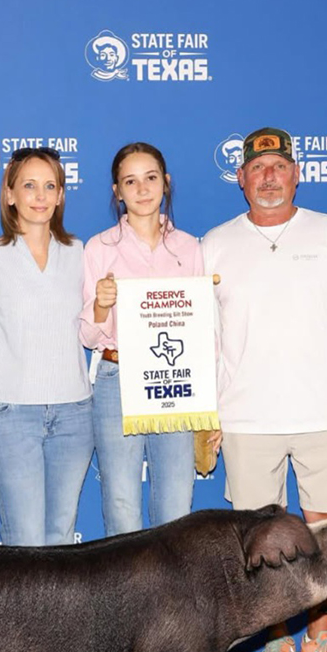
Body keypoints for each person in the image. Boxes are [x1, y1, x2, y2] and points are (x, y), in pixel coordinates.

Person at [202, 127, 327, 652]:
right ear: (240, 179)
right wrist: (206, 413)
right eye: (257, 169)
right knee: (261, 541)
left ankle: (321, 630)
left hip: (325, 409)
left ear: (297, 173)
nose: (269, 177)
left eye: (279, 166)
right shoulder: (214, 244)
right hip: (244, 415)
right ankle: (276, 639)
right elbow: (204, 339)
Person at [80, 142, 206, 536]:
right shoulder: (99, 247)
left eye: (151, 178)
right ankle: (125, 598)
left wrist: (209, 404)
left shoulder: (190, 247)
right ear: (117, 191)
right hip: (117, 375)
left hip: (176, 379)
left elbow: (206, 329)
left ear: (165, 183)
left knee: (175, 502)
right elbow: (87, 334)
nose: (142, 189)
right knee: (120, 502)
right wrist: (101, 305)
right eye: (130, 181)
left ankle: (170, 598)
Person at [0, 148, 92, 545]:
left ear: (60, 196)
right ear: (9, 195)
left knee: (60, 538)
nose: (39, 196)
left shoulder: (81, 254)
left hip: (74, 413)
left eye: (49, 186)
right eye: (28, 185)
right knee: (23, 541)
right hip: (12, 416)